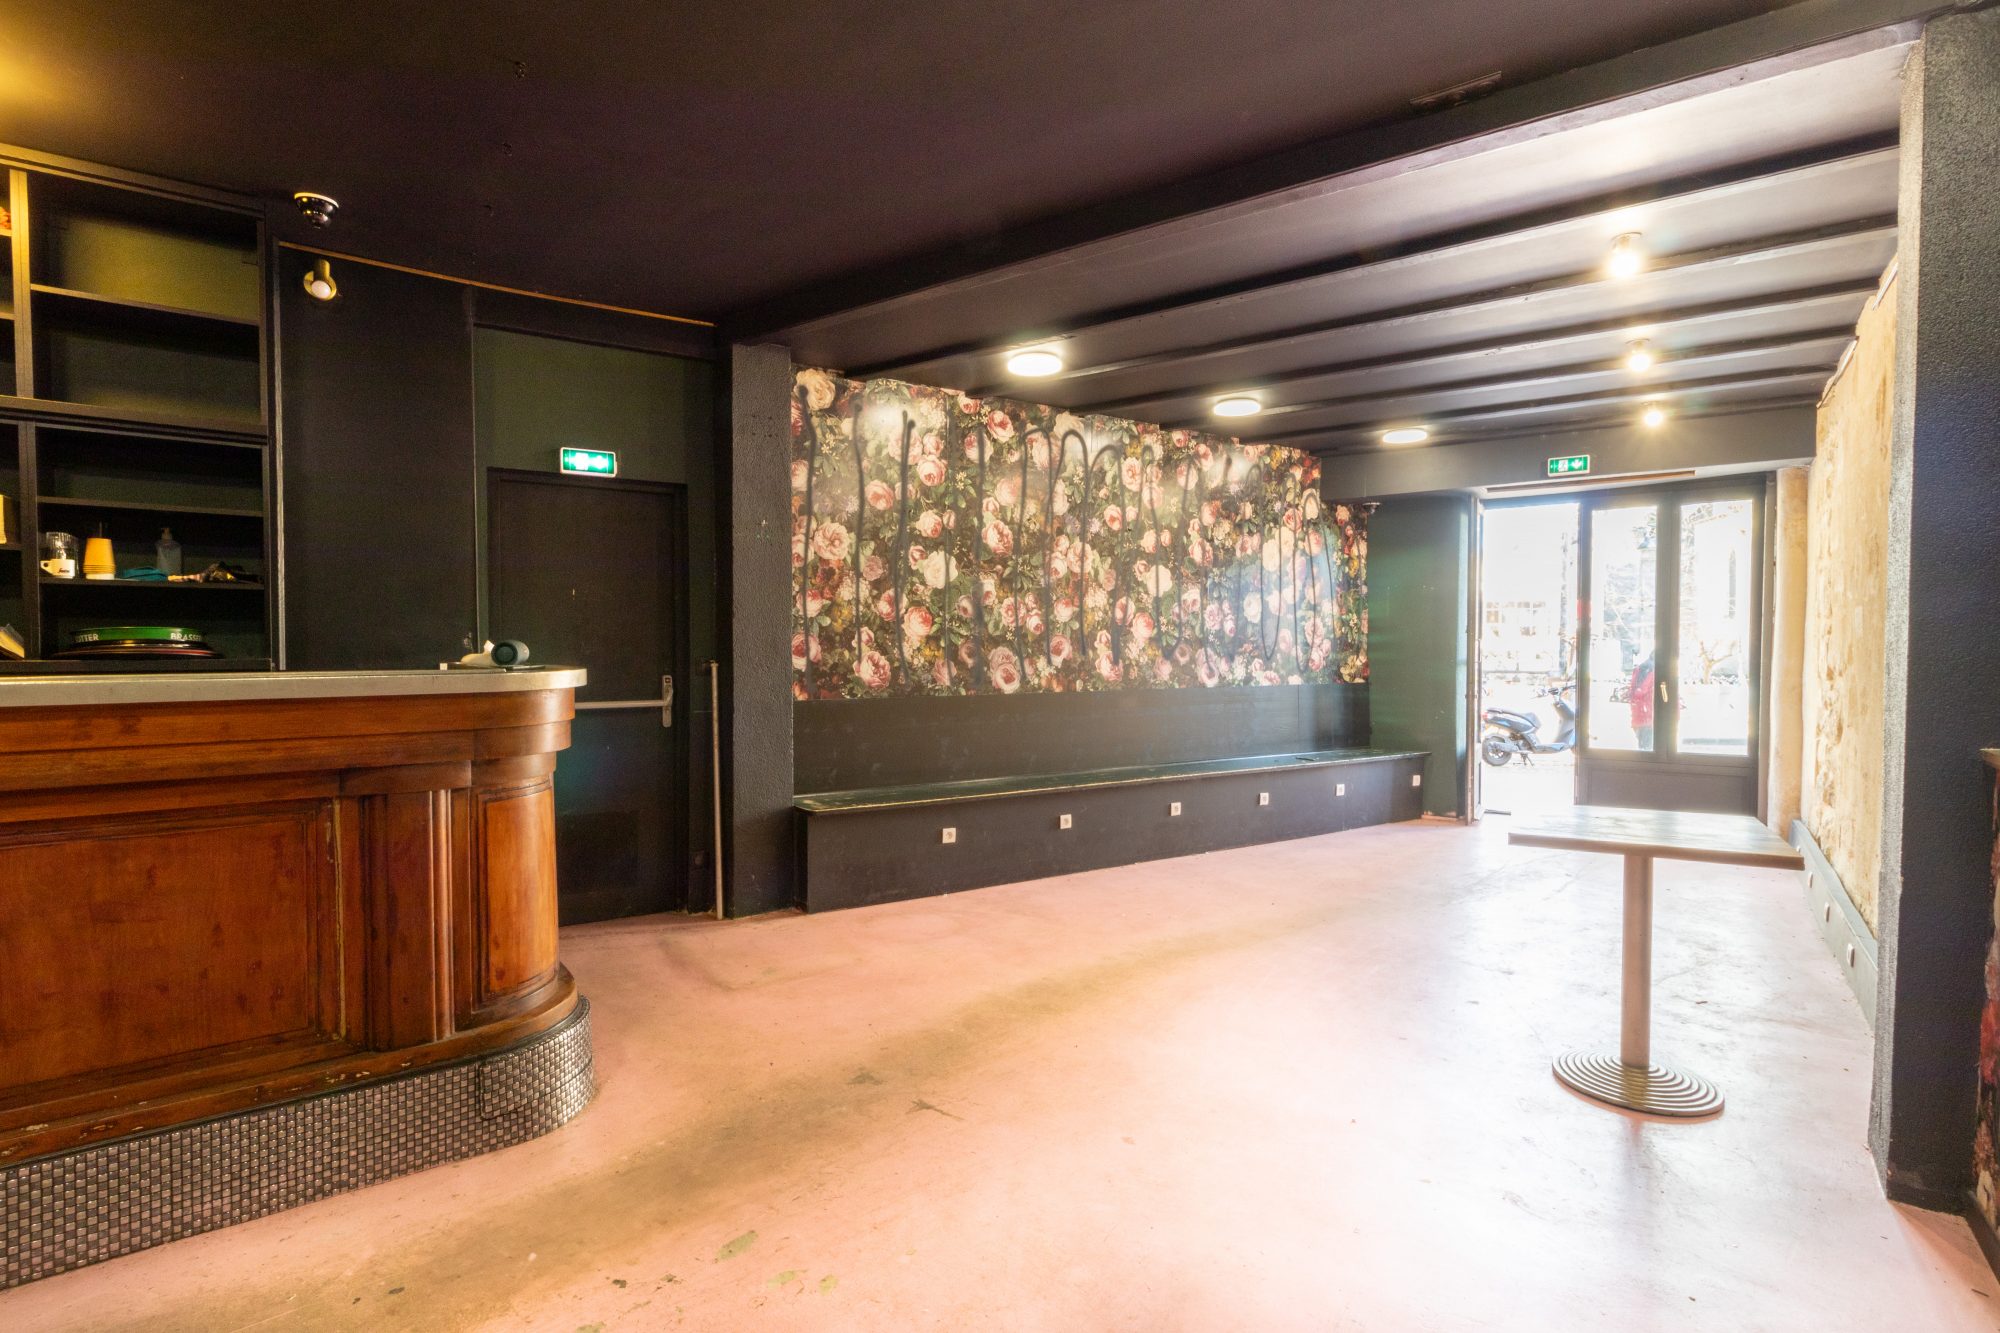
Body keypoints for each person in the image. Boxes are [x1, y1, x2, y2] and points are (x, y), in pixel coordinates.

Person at [1629, 651, 1655, 750]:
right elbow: (1640, 691)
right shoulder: (1650, 670)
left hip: (1642, 714)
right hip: (1647, 715)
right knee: (1647, 748)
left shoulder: (1644, 668)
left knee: (1645, 747)